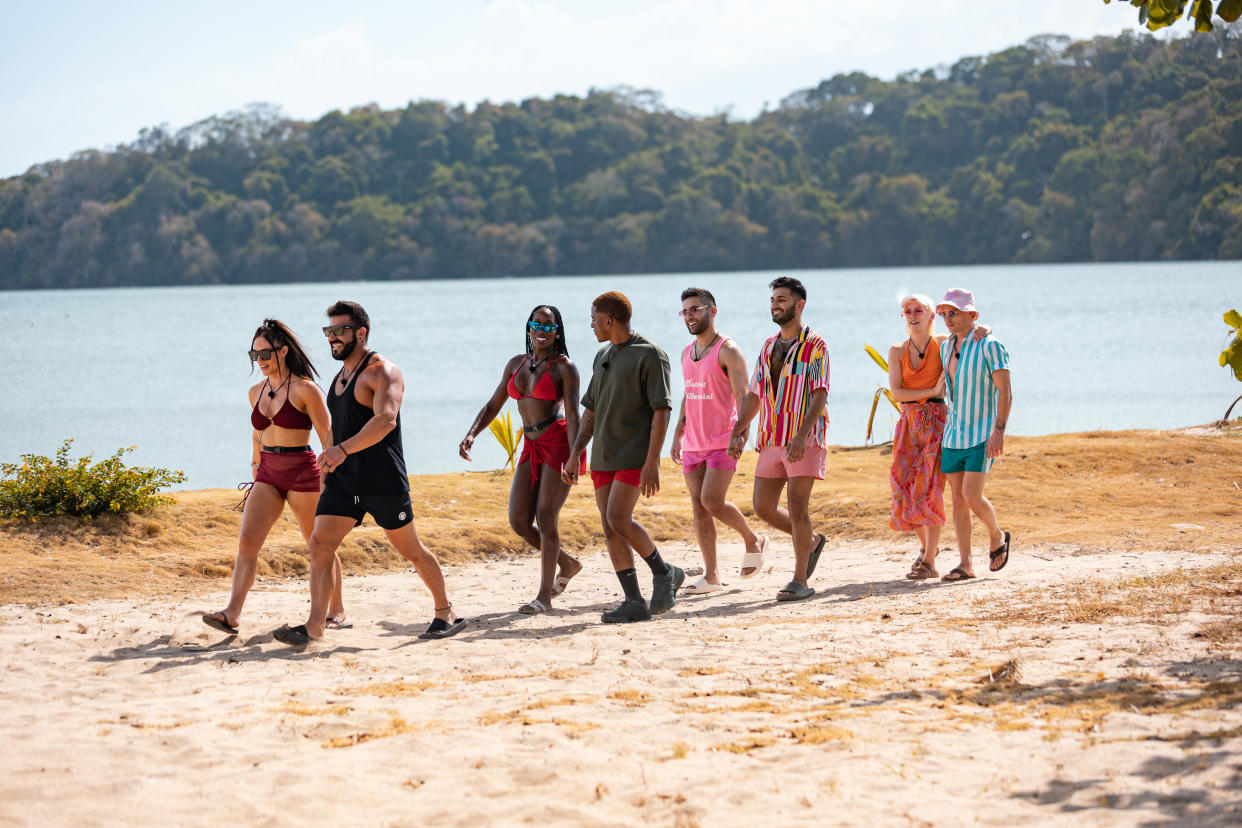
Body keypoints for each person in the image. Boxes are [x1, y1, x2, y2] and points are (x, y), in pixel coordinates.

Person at [274, 301, 465, 645]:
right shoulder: (340, 377)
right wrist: (328, 462)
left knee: (411, 550)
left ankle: (445, 611)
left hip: (382, 480)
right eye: (328, 331)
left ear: (360, 333)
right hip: (345, 482)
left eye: (340, 331)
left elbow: (385, 420)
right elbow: (338, 430)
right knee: (320, 544)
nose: (333, 337)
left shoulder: (382, 371)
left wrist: (342, 450)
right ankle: (315, 625)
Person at [203, 320, 344, 635]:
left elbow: (328, 437)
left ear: (283, 350)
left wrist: (331, 477)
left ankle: (335, 609)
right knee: (247, 541)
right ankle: (232, 613)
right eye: (254, 355)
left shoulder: (306, 389)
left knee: (319, 546)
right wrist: (255, 464)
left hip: (303, 473)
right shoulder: (256, 391)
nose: (260, 360)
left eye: (265, 353)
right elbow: (257, 433)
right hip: (268, 472)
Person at [458, 305, 587, 614]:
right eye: (536, 324)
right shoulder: (516, 364)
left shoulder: (564, 367)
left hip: (556, 444)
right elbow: (493, 404)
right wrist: (472, 434)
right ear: (528, 327)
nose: (541, 331)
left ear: (557, 332)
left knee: (545, 517)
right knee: (518, 520)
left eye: (548, 326)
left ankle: (544, 596)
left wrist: (575, 457)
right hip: (530, 446)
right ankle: (567, 563)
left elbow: (572, 415)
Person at [562, 291, 680, 623]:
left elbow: (661, 410)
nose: (591, 325)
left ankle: (664, 571)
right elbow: (591, 411)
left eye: (594, 318)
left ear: (609, 320)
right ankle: (634, 601)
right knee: (611, 528)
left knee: (618, 518)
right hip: (603, 456)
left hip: (634, 454)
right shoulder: (602, 355)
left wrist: (653, 460)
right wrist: (575, 455)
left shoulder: (651, 355)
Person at [729, 277, 829, 602]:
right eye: (773, 299)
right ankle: (810, 541)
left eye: (782, 299)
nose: (775, 304)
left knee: (797, 506)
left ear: (799, 305)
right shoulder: (769, 346)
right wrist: (739, 428)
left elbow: (819, 394)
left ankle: (800, 579)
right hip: (771, 438)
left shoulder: (816, 345)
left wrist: (801, 436)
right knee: (762, 506)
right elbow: (756, 393)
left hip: (804, 439)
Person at [670, 287, 768, 593]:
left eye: (696, 309)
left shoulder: (729, 350)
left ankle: (753, 539)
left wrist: (742, 433)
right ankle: (711, 576)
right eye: (685, 311)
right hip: (693, 444)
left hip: (722, 440)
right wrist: (677, 433)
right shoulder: (687, 352)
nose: (690, 316)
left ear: (712, 311)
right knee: (699, 508)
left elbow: (745, 395)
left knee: (711, 500)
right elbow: (690, 391)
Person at [887, 295, 989, 580]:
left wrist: (986, 328)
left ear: (932, 315)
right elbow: (897, 394)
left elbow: (971, 335)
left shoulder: (943, 342)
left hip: (937, 422)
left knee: (930, 490)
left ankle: (929, 561)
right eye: (907, 311)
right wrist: (931, 390)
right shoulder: (897, 351)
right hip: (908, 424)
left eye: (919, 310)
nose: (912, 315)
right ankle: (927, 548)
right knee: (901, 489)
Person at [935, 288, 1013, 582]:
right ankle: (965, 563)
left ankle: (997, 535)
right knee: (957, 501)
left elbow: (1006, 392)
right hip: (953, 434)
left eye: (953, 312)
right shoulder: (946, 347)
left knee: (971, 495)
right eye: (945, 313)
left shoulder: (990, 345)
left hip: (982, 433)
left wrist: (999, 432)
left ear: (972, 315)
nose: (947, 318)